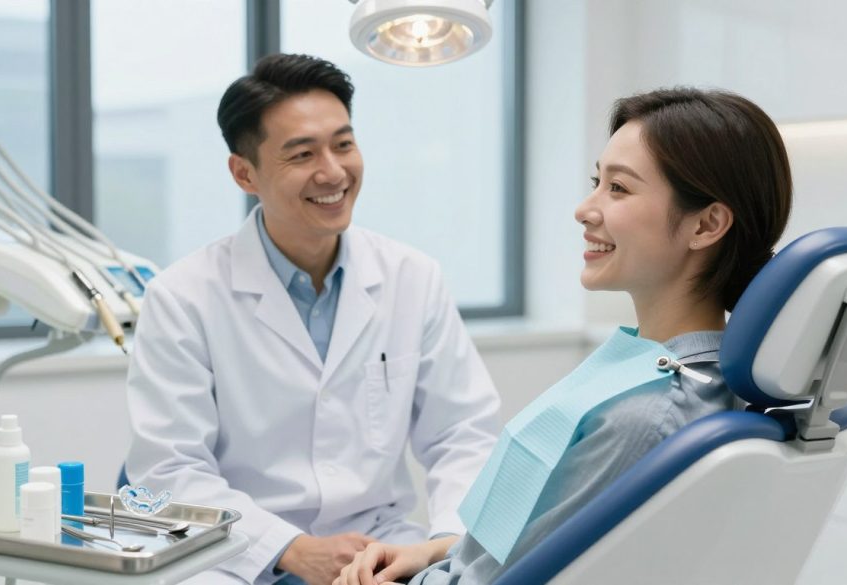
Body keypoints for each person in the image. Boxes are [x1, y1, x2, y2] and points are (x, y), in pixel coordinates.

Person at [333, 87, 793, 585]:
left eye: (618, 188)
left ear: (706, 224)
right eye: (598, 181)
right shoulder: (674, 372)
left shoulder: (646, 416)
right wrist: (436, 552)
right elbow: (544, 543)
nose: (584, 208)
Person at [124, 53, 501, 585]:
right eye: (302, 154)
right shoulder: (183, 297)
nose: (333, 172)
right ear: (244, 173)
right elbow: (168, 471)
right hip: (234, 556)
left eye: (343, 144)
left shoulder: (412, 277)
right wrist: (292, 549)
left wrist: (443, 540)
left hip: (381, 545)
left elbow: (464, 433)